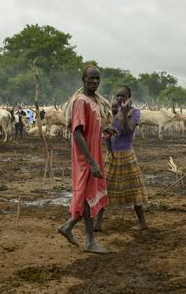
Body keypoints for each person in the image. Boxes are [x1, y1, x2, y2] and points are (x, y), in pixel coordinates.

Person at [57, 65, 114, 254]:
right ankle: (89, 241)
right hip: (85, 156)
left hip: (93, 152)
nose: (95, 82)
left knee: (87, 194)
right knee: (89, 195)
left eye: (98, 79)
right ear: (83, 79)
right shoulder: (81, 101)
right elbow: (78, 132)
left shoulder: (94, 101)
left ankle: (68, 227)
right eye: (91, 79)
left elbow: (90, 127)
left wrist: (104, 129)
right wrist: (90, 161)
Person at [96, 85, 148, 231]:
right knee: (105, 187)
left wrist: (124, 113)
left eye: (123, 96)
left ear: (129, 97)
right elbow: (107, 133)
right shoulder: (112, 112)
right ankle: (98, 222)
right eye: (118, 96)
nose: (120, 98)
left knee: (133, 187)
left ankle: (142, 222)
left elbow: (128, 130)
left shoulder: (135, 112)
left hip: (126, 153)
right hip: (112, 154)